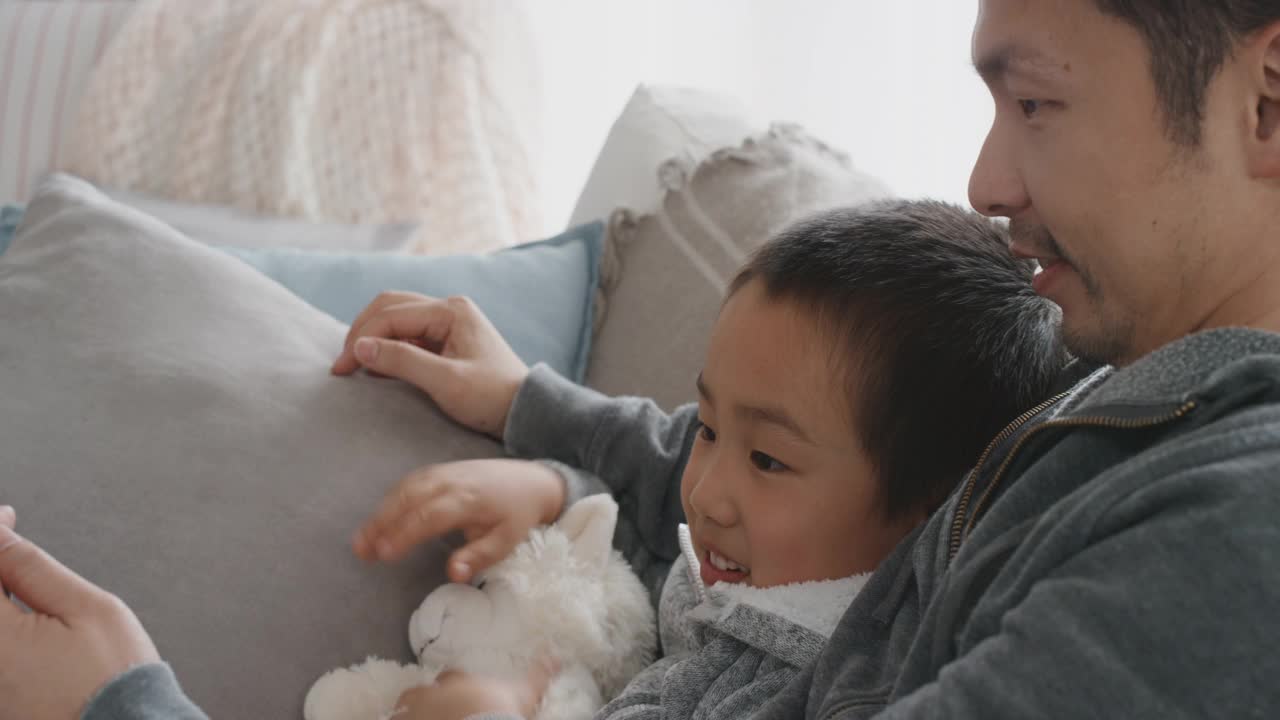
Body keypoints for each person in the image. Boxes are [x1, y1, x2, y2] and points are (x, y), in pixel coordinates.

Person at [6, 0, 1280, 717]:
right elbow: (832, 511)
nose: (985, 178)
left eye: (1038, 102)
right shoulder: (1111, 394)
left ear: (1265, 98)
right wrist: (536, 419)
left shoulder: (1233, 527)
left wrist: (122, 708)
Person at [347, 201, 1064, 720]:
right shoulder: (746, 570)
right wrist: (550, 484)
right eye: (711, 430)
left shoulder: (829, 689)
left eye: (768, 461)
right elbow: (655, 482)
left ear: (928, 512)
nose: (706, 494)